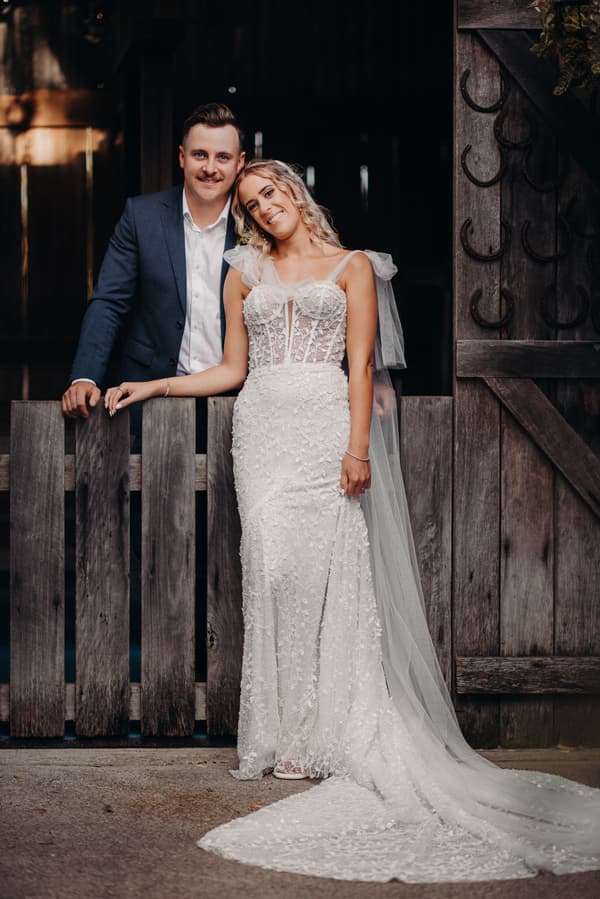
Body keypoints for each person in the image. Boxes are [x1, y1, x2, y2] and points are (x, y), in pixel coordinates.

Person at [105, 159, 600, 883]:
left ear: (293, 191)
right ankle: (280, 734)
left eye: (269, 192)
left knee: (325, 576)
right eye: (250, 203)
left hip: (324, 425)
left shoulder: (354, 267)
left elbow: (361, 366)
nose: (263, 207)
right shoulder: (244, 272)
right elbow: (233, 369)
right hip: (262, 430)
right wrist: (155, 384)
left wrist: (358, 446)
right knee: (271, 572)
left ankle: (323, 732)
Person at [61, 102, 246, 439]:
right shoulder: (141, 216)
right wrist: (85, 375)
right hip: (148, 396)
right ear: (182, 157)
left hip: (238, 401)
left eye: (223, 157)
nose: (210, 168)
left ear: (240, 163)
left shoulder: (257, 222)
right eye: (200, 155)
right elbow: (109, 301)